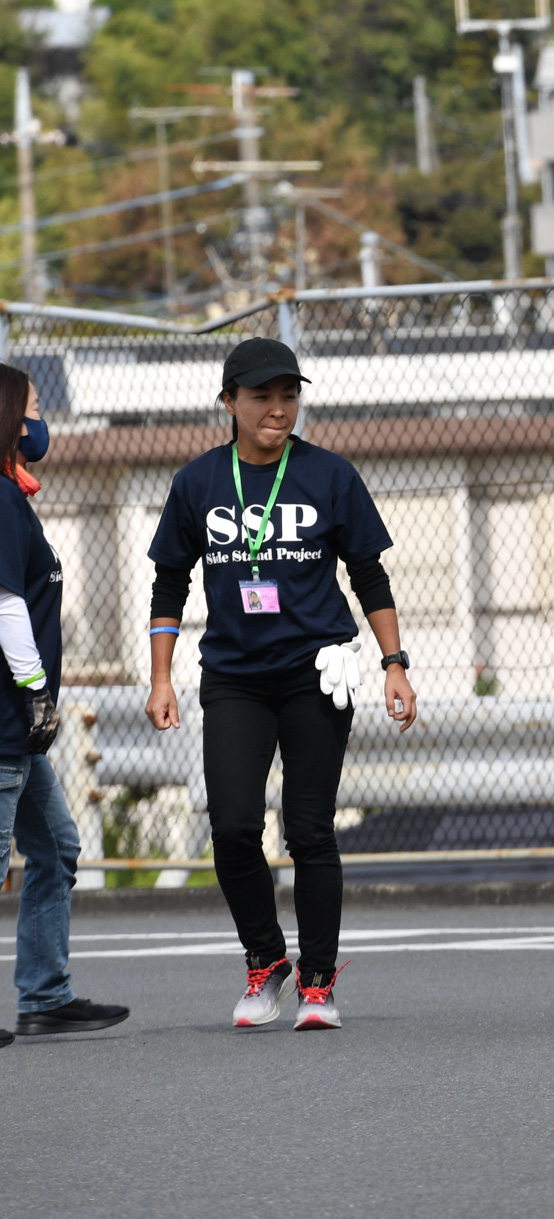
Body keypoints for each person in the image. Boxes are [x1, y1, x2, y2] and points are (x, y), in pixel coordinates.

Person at [145, 338, 418, 1031]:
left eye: (289, 395)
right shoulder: (198, 482)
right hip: (233, 676)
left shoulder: (329, 474)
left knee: (308, 829)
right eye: (262, 396)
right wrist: (161, 678)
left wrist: (394, 663)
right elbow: (169, 582)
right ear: (229, 401)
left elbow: (369, 574)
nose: (278, 408)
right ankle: (266, 961)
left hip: (314, 672)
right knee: (234, 826)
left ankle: (318, 982)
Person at [0, 365, 129, 1046]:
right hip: (7, 719)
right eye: (33, 407)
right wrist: (35, 692)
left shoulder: (13, 495)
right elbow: (4, 603)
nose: (40, 420)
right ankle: (44, 993)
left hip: (20, 730)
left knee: (56, 846)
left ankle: (45, 995)